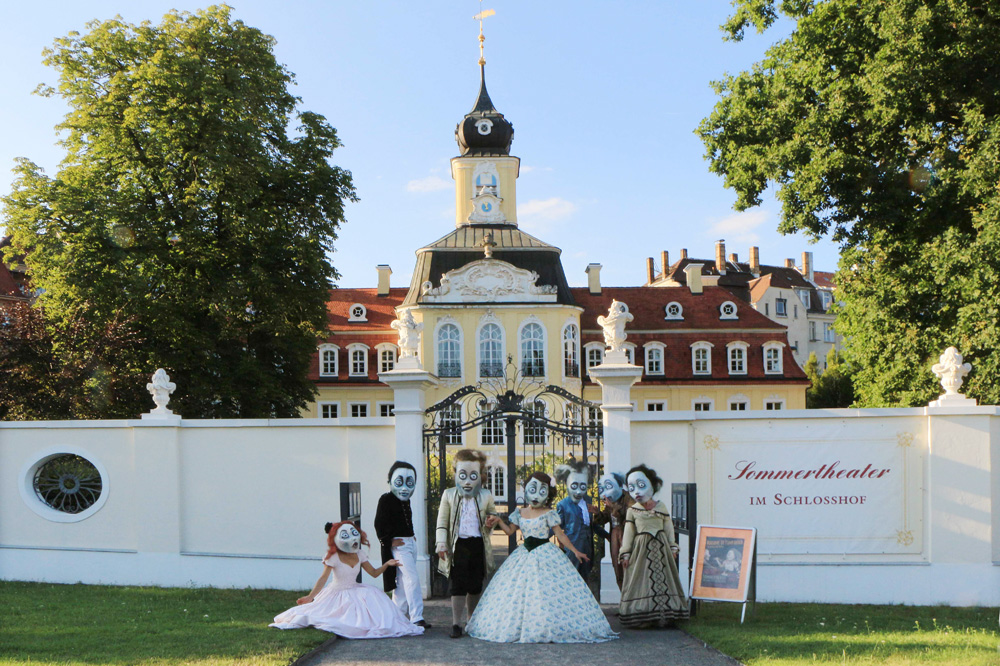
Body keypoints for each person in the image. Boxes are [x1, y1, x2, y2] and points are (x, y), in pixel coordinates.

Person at [465, 472, 618, 644]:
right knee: (520, 594)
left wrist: (575, 551)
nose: (536, 495)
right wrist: (499, 521)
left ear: (548, 494)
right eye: (533, 489)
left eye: (542, 491)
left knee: (548, 593)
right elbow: (509, 531)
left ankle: (547, 625)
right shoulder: (520, 512)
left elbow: (560, 535)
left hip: (546, 554)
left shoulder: (549, 513)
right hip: (523, 555)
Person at [270, 521, 424, 639]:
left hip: (355, 590)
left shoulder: (359, 554)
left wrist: (387, 564)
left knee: (377, 604)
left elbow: (374, 573)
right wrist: (310, 597)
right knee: (321, 615)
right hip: (336, 593)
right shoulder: (333, 557)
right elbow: (323, 578)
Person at [435, 449, 499, 639]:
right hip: (458, 546)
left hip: (477, 545)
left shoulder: (486, 495)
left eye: (473, 475)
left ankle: (471, 619)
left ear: (480, 475)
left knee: (475, 584)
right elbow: (442, 522)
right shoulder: (448, 495)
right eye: (463, 475)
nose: (468, 481)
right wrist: (441, 543)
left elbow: (493, 516)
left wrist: (491, 522)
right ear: (456, 474)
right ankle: (456, 623)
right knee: (458, 585)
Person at [618, 464, 690, 627]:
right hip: (641, 550)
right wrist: (626, 553)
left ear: (652, 485)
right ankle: (645, 616)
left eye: (641, 485)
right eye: (631, 487)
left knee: (664, 579)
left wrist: (673, 546)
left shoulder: (661, 507)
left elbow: (668, 528)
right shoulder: (633, 511)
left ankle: (665, 615)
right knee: (642, 580)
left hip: (661, 548)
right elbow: (629, 533)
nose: (636, 491)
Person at [373, 460, 430, 628]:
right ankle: (416, 616)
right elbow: (379, 523)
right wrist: (388, 540)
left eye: (409, 483)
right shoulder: (386, 499)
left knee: (403, 581)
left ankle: (396, 615)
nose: (404, 488)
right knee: (411, 578)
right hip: (400, 546)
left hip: (409, 542)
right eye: (399, 482)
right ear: (390, 481)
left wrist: (411, 536)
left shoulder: (405, 501)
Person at [554, 460, 595, 580]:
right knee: (572, 578)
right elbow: (557, 528)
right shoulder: (563, 505)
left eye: (583, 487)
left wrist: (608, 535)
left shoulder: (588, 500)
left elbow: (591, 524)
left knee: (585, 578)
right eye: (574, 486)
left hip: (587, 547)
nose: (578, 492)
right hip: (573, 548)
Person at [592, 471, 632, 591]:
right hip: (615, 534)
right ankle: (623, 597)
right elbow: (605, 518)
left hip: (625, 535)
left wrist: (613, 508)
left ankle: (628, 600)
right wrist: (597, 513)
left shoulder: (628, 499)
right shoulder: (611, 500)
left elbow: (630, 517)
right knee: (617, 565)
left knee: (627, 567)